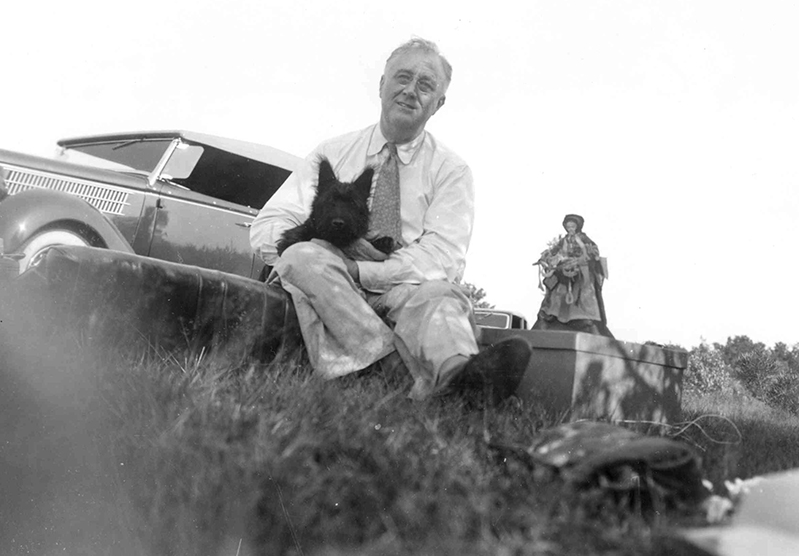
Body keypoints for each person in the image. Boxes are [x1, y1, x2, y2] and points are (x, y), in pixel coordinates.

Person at [250, 38, 532, 402]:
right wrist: (327, 246)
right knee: (300, 258)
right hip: (331, 276)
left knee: (441, 293)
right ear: (382, 84)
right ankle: (395, 373)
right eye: (403, 77)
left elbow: (445, 256)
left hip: (403, 287)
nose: (410, 91)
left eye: (425, 85)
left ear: (439, 104)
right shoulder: (332, 153)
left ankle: (461, 375)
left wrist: (364, 270)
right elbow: (269, 223)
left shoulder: (451, 171)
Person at [533, 214, 613, 337]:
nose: (570, 228)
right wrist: (548, 258)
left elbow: (594, 251)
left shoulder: (584, 239)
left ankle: (584, 317)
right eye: (568, 226)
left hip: (580, 272)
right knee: (556, 289)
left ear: (577, 227)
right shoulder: (563, 240)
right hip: (564, 269)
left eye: (572, 226)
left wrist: (583, 259)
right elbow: (554, 251)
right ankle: (551, 315)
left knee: (584, 291)